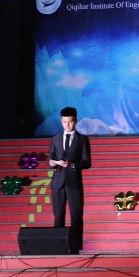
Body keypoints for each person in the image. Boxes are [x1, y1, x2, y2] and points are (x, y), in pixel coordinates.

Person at [48, 106, 91, 253]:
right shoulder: (55, 139)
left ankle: (76, 246)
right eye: (65, 122)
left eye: (70, 121)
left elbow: (87, 162)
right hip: (58, 182)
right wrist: (52, 163)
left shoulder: (83, 140)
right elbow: (51, 159)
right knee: (58, 216)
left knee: (76, 216)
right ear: (61, 121)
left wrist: (72, 164)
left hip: (74, 183)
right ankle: (58, 245)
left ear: (76, 121)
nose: (67, 125)